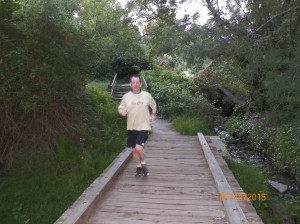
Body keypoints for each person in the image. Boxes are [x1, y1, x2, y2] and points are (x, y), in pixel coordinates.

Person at [118, 74, 157, 176]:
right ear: (130, 84)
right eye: (133, 82)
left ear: (140, 84)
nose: (135, 84)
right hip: (131, 127)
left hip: (144, 126)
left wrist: (153, 114)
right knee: (134, 150)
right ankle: (138, 167)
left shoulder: (146, 95)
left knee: (139, 148)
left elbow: (154, 105)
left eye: (137, 82)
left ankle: (143, 163)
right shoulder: (126, 97)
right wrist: (122, 112)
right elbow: (121, 107)